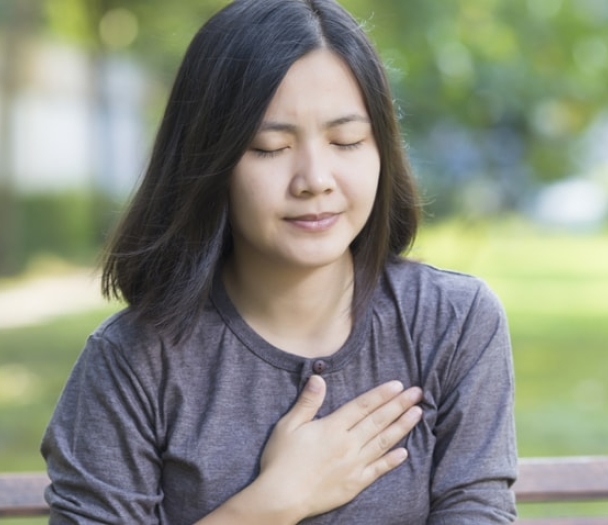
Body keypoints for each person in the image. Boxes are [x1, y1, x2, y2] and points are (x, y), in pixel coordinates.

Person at [41, 0, 518, 523]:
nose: (315, 178)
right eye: (270, 147)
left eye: (347, 141)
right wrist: (274, 503)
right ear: (208, 159)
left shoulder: (452, 322)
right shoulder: (133, 362)